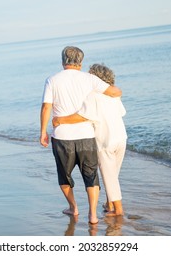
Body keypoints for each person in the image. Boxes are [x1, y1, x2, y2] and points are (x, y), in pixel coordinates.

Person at [40, 46, 122, 224]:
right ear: (81, 62)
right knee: (91, 175)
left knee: (64, 175)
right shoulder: (90, 79)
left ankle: (73, 208)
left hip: (62, 137)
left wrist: (42, 132)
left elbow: (46, 107)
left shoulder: (52, 80)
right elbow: (115, 92)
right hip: (86, 135)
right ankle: (93, 214)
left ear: (63, 61)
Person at [53, 64, 127, 216]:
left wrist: (60, 120)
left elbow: (82, 116)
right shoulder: (114, 95)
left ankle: (118, 210)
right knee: (112, 175)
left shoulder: (92, 95)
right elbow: (121, 112)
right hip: (121, 138)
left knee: (109, 175)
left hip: (105, 141)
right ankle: (109, 204)